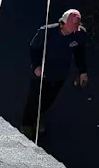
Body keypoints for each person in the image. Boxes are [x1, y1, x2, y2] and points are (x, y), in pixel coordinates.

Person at [21, 8, 88, 139]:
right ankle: (26, 124)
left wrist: (83, 71)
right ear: (61, 24)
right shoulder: (45, 32)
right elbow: (34, 49)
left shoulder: (79, 34)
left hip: (60, 75)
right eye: (70, 28)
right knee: (33, 100)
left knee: (48, 100)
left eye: (75, 28)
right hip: (41, 75)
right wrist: (37, 66)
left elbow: (80, 53)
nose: (73, 31)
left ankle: (39, 116)